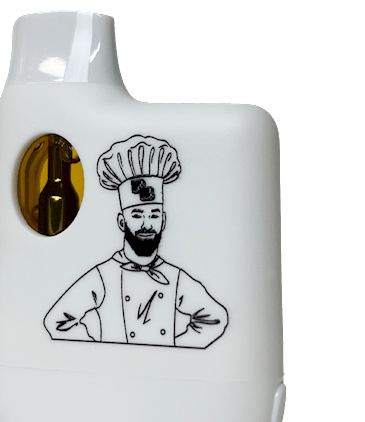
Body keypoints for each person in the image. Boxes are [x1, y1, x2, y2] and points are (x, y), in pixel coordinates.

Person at [43, 135, 228, 348]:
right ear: (122, 222)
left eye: (154, 215)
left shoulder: (174, 277)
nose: (147, 224)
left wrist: (176, 352)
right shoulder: (104, 276)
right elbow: (56, 321)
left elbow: (215, 318)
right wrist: (97, 353)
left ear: (163, 220)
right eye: (137, 215)